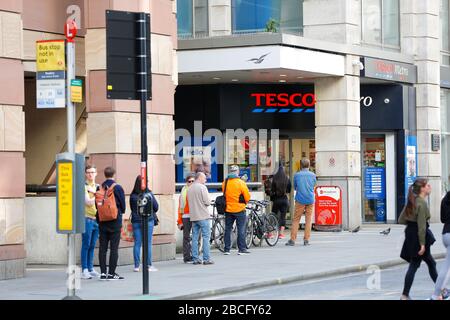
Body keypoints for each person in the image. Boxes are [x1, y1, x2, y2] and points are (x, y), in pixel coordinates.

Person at [399, 178, 438, 300]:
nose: (429, 187)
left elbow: (401, 219)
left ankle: (440, 289)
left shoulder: (412, 201)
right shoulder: (421, 203)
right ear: (422, 188)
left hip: (410, 234)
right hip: (419, 236)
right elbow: (422, 226)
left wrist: (411, 223)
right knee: (416, 264)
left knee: (429, 263)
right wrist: (422, 244)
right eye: (427, 185)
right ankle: (405, 294)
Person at [97, 166, 126, 281]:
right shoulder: (117, 187)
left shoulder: (100, 187)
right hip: (115, 221)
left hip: (102, 221)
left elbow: (97, 205)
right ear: (114, 174)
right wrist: (120, 211)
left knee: (102, 248)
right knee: (114, 248)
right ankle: (112, 273)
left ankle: (103, 273)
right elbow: (123, 206)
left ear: (104, 174)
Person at [130, 175, 159, 272]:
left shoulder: (133, 195)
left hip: (136, 221)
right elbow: (156, 207)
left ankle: (136, 266)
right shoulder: (148, 194)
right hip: (147, 220)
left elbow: (132, 208)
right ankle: (148, 265)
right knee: (148, 243)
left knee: (137, 243)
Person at [286, 158, 316, 246]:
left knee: (296, 219)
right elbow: (314, 185)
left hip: (300, 199)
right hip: (310, 199)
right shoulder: (313, 175)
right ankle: (306, 240)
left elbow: (295, 187)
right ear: (309, 165)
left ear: (301, 165)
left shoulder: (297, 175)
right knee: (308, 220)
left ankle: (292, 239)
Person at [222, 165, 251, 255]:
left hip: (228, 209)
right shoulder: (240, 182)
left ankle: (227, 249)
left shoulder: (225, 182)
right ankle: (241, 249)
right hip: (239, 209)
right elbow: (247, 196)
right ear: (237, 172)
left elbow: (224, 193)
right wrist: (244, 202)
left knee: (228, 229)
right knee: (241, 229)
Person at [187, 172, 214, 265]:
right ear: (200, 178)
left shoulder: (189, 188)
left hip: (194, 216)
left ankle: (195, 258)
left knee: (194, 238)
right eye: (204, 178)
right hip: (203, 216)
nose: (205, 180)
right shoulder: (202, 187)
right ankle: (206, 259)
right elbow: (207, 202)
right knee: (206, 237)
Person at [430, 186, 450, 300]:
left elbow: (442, 219)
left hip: (445, 233)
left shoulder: (445, 198)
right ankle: (437, 294)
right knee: (447, 267)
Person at [81, 165, 100, 279]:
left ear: (96, 173)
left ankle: (91, 267)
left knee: (92, 245)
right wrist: (98, 195)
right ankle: (84, 269)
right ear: (85, 174)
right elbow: (88, 202)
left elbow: (103, 200)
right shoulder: (83, 186)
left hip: (97, 219)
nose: (90, 174)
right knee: (86, 244)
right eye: (88, 172)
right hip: (87, 218)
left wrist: (95, 193)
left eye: (92, 172)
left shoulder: (97, 187)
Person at [177, 173, 195, 263]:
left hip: (195, 216)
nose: (191, 183)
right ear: (186, 182)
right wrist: (179, 221)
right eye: (189, 181)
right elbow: (180, 208)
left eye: (193, 181)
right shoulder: (183, 192)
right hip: (186, 216)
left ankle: (194, 255)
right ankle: (187, 257)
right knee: (186, 237)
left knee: (196, 236)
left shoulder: (196, 191)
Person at [271, 165, 291, 239]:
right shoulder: (287, 178)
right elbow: (289, 190)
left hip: (276, 199)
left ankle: (271, 233)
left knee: (273, 216)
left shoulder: (275, 178)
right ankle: (281, 234)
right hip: (284, 199)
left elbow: (272, 190)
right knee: (283, 217)